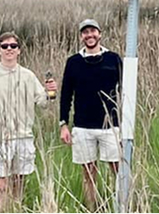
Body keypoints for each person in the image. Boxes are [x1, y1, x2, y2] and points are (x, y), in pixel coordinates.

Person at [0, 32, 57, 210]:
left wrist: (51, 93)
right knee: (0, 185)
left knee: (18, 184)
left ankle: (14, 209)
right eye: (5, 46)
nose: (9, 49)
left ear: (19, 51)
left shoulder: (28, 76)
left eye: (13, 46)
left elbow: (43, 103)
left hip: (23, 137)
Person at [59, 19, 122, 211]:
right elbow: (66, 94)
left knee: (118, 169)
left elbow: (125, 90)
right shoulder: (74, 62)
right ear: (81, 36)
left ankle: (122, 205)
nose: (90, 35)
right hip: (83, 126)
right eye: (85, 32)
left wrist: (125, 123)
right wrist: (63, 124)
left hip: (110, 125)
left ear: (100, 34)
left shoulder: (113, 59)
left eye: (93, 31)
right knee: (88, 172)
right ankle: (91, 208)